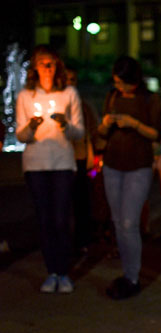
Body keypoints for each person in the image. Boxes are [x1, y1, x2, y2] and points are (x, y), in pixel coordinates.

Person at [15, 45, 84, 293]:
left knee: (60, 218)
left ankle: (64, 271)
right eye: (42, 62)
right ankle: (51, 271)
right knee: (44, 219)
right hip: (35, 165)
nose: (47, 67)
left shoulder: (69, 94)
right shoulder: (26, 96)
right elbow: (21, 136)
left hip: (62, 164)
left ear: (57, 66)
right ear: (34, 67)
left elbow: (80, 132)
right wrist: (32, 126)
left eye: (51, 62)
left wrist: (65, 125)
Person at [97, 56, 161, 300]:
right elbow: (102, 134)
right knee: (117, 221)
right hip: (112, 164)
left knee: (128, 223)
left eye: (124, 83)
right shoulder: (112, 96)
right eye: (116, 82)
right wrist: (105, 124)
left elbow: (157, 133)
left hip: (138, 166)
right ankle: (126, 273)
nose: (120, 87)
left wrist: (134, 124)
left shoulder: (149, 99)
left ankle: (132, 277)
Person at [65, 65, 99, 257]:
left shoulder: (84, 105)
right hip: (61, 159)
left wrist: (92, 159)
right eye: (67, 79)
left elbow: (91, 133)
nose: (70, 83)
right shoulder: (57, 103)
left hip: (79, 157)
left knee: (81, 202)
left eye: (73, 80)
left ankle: (82, 240)